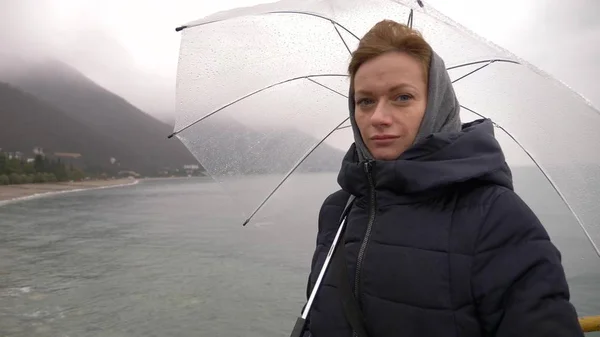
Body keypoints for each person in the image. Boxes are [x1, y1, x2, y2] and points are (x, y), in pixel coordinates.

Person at [302, 19, 584, 337]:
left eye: (402, 97)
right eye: (365, 101)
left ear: (437, 104)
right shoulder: (338, 210)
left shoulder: (496, 216)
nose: (378, 117)